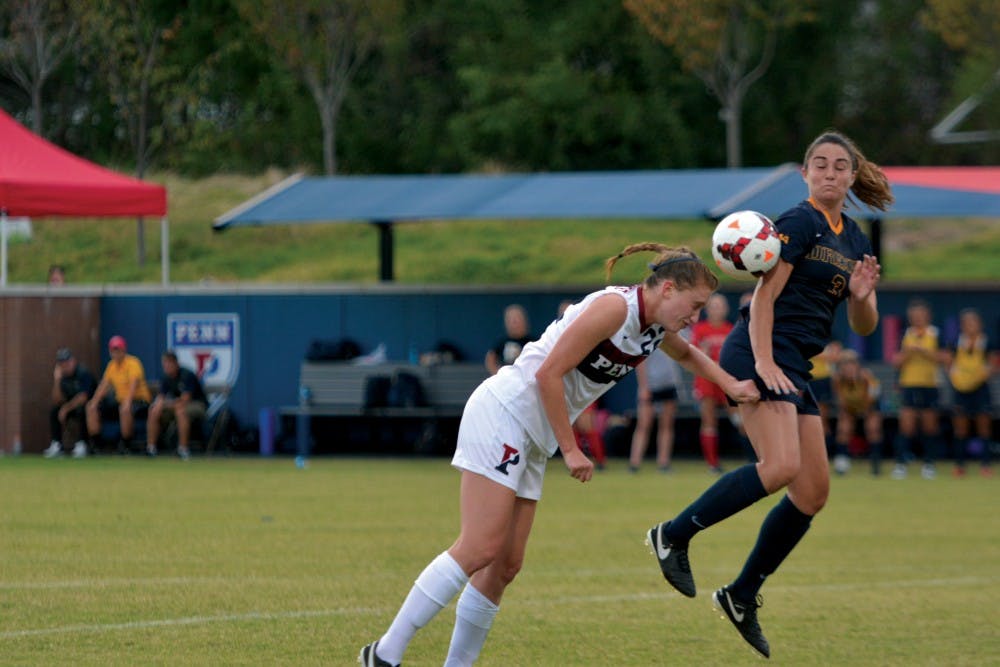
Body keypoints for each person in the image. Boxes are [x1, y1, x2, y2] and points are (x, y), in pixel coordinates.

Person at [358, 244, 760, 667]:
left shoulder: (654, 325)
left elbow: (686, 353)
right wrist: (571, 449)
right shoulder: (614, 308)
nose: (695, 317)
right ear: (667, 289)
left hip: (534, 434)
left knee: (505, 566)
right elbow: (548, 373)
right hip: (506, 412)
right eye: (694, 305)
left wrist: (731, 385)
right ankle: (383, 655)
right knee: (479, 547)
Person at [646, 130, 891, 659]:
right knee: (780, 467)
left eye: (839, 165)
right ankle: (672, 535)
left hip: (793, 365)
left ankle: (741, 594)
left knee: (812, 493)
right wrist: (761, 363)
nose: (829, 172)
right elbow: (764, 297)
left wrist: (861, 296)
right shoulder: (797, 222)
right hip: (759, 353)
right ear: (805, 174)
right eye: (819, 164)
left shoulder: (854, 239)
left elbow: (864, 325)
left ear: (852, 176)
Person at [891, 299, 944, 479]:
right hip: (909, 384)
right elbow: (896, 361)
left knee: (930, 425)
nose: (917, 318)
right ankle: (901, 464)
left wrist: (923, 351)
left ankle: (929, 464)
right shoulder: (905, 334)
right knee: (906, 425)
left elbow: (945, 358)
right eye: (914, 316)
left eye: (920, 315)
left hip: (930, 384)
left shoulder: (936, 333)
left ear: (928, 316)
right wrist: (908, 352)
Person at [945, 308, 996, 477]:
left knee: (984, 428)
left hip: (981, 390)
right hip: (960, 390)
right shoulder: (956, 342)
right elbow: (949, 364)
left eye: (973, 322)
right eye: (966, 323)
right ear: (962, 326)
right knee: (960, 428)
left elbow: (993, 365)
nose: (970, 326)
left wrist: (978, 376)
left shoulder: (987, 342)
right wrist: (959, 379)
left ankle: (985, 465)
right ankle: (960, 466)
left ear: (980, 324)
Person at [690, 293, 737, 473]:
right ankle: (712, 463)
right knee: (709, 420)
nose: (717, 310)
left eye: (721, 306)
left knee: (740, 418)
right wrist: (704, 353)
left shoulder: (730, 329)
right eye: (714, 306)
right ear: (707, 310)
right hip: (707, 380)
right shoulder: (700, 329)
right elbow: (692, 356)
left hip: (726, 379)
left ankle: (753, 456)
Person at [86, 335, 152, 452]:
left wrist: (127, 403)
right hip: (120, 401)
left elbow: (133, 385)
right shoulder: (111, 365)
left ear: (124, 350)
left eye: (118, 350)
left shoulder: (133, 363)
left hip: (139, 401)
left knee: (125, 409)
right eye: (113, 350)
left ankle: (126, 444)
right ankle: (96, 443)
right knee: (91, 407)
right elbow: (104, 386)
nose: (116, 353)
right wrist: (94, 402)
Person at [146, 350, 208, 460]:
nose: (166, 367)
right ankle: (151, 449)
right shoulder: (166, 378)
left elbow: (185, 399)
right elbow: (161, 397)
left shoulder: (187, 375)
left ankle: (183, 450)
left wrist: (164, 405)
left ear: (175, 363)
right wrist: (158, 405)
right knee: (153, 410)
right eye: (164, 364)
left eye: (168, 364)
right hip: (175, 406)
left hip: (197, 405)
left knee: (180, 411)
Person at [831, 348, 884, 476]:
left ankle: (875, 464)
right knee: (843, 428)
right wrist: (847, 410)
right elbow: (840, 399)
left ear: (857, 365)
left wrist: (865, 409)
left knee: (873, 429)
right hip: (850, 408)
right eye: (845, 364)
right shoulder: (837, 379)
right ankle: (842, 462)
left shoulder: (866, 376)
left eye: (851, 363)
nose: (848, 367)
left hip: (869, 407)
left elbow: (873, 396)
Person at [628, 345, 681, 473]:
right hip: (651, 385)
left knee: (667, 425)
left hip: (669, 384)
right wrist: (643, 387)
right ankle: (634, 463)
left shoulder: (673, 337)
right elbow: (640, 363)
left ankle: (664, 463)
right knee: (644, 425)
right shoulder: (648, 339)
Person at [43, 348, 97, 458]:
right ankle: (57, 444)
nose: (65, 366)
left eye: (67, 362)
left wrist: (66, 408)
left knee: (83, 410)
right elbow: (57, 400)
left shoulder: (83, 373)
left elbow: (83, 397)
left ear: (73, 361)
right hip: (71, 408)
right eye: (62, 363)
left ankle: (82, 444)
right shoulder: (62, 377)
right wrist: (57, 381)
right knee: (54, 411)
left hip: (90, 407)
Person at [808, 339, 843, 461]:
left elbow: (835, 356)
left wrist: (810, 351)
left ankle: (824, 455)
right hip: (804, 378)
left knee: (821, 420)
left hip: (821, 381)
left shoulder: (827, 335)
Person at [484, 304, 532, 375]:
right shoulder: (501, 343)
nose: (515, 324)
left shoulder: (533, 342)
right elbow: (490, 358)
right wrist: (498, 374)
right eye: (512, 321)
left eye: (517, 320)